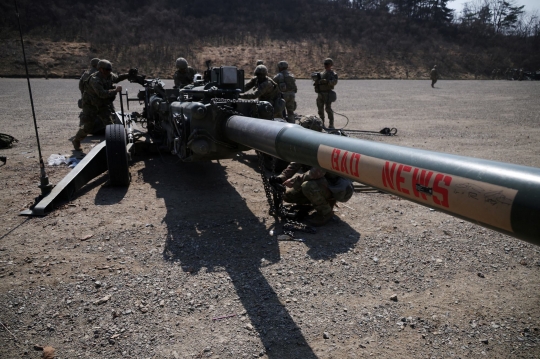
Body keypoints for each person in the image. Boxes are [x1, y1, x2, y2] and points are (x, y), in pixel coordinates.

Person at [271, 115, 352, 226]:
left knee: (308, 186)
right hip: (322, 183)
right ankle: (315, 202)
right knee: (288, 195)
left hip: (336, 188)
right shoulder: (307, 144)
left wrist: (294, 181)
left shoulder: (326, 147)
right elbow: (296, 163)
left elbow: (317, 172)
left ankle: (326, 213)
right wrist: (281, 178)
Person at [72, 60, 129, 151]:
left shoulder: (109, 75)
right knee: (88, 126)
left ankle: (115, 147)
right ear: (101, 69)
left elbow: (117, 78)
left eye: (110, 69)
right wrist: (115, 91)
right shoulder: (95, 79)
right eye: (107, 69)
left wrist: (128, 75)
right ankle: (76, 140)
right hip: (90, 105)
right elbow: (102, 94)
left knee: (110, 125)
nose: (109, 71)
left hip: (102, 105)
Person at [313, 58, 338, 128]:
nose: (325, 65)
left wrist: (326, 81)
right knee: (320, 109)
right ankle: (321, 123)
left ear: (331, 65)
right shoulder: (321, 73)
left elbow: (334, 82)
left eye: (327, 64)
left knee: (328, 109)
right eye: (325, 64)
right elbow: (317, 82)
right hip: (320, 93)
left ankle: (331, 124)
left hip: (327, 93)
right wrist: (316, 82)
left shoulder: (333, 74)